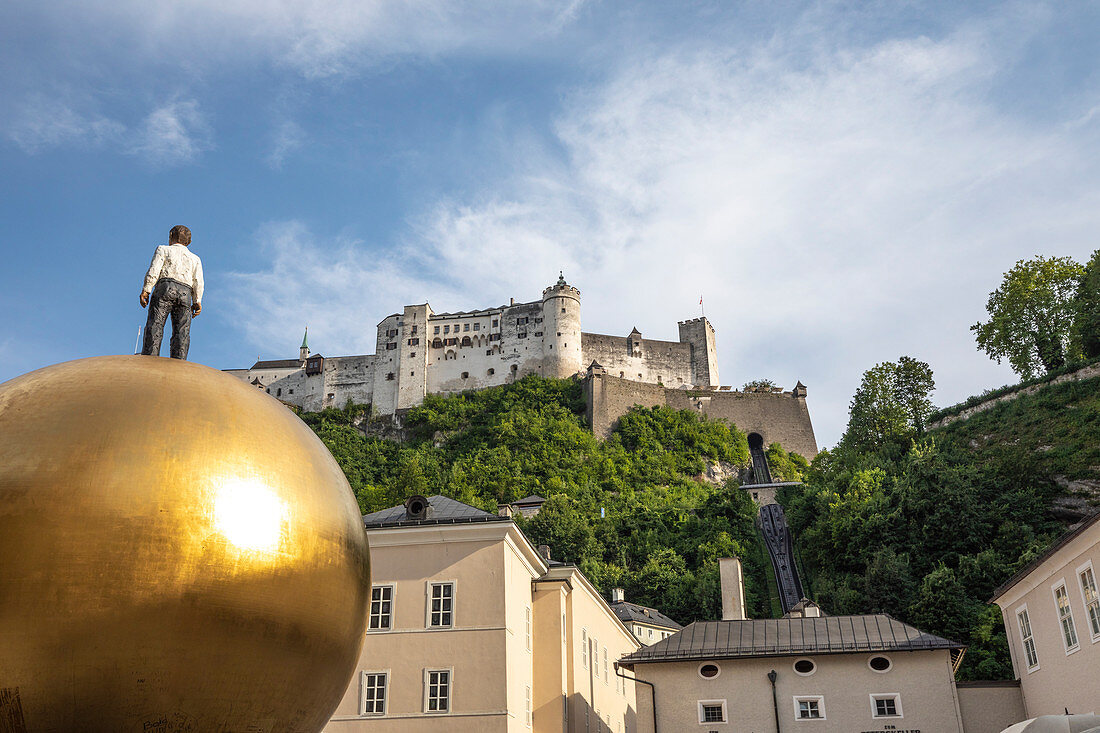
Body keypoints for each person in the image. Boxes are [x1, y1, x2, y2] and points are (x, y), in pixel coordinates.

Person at [139, 225, 204, 360]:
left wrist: (147, 289)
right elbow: (198, 281)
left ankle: (149, 359)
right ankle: (179, 363)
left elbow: (154, 270)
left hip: (165, 287)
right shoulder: (195, 259)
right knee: (182, 331)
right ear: (189, 242)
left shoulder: (163, 249)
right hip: (185, 293)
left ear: (171, 236)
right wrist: (197, 300)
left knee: (155, 324)